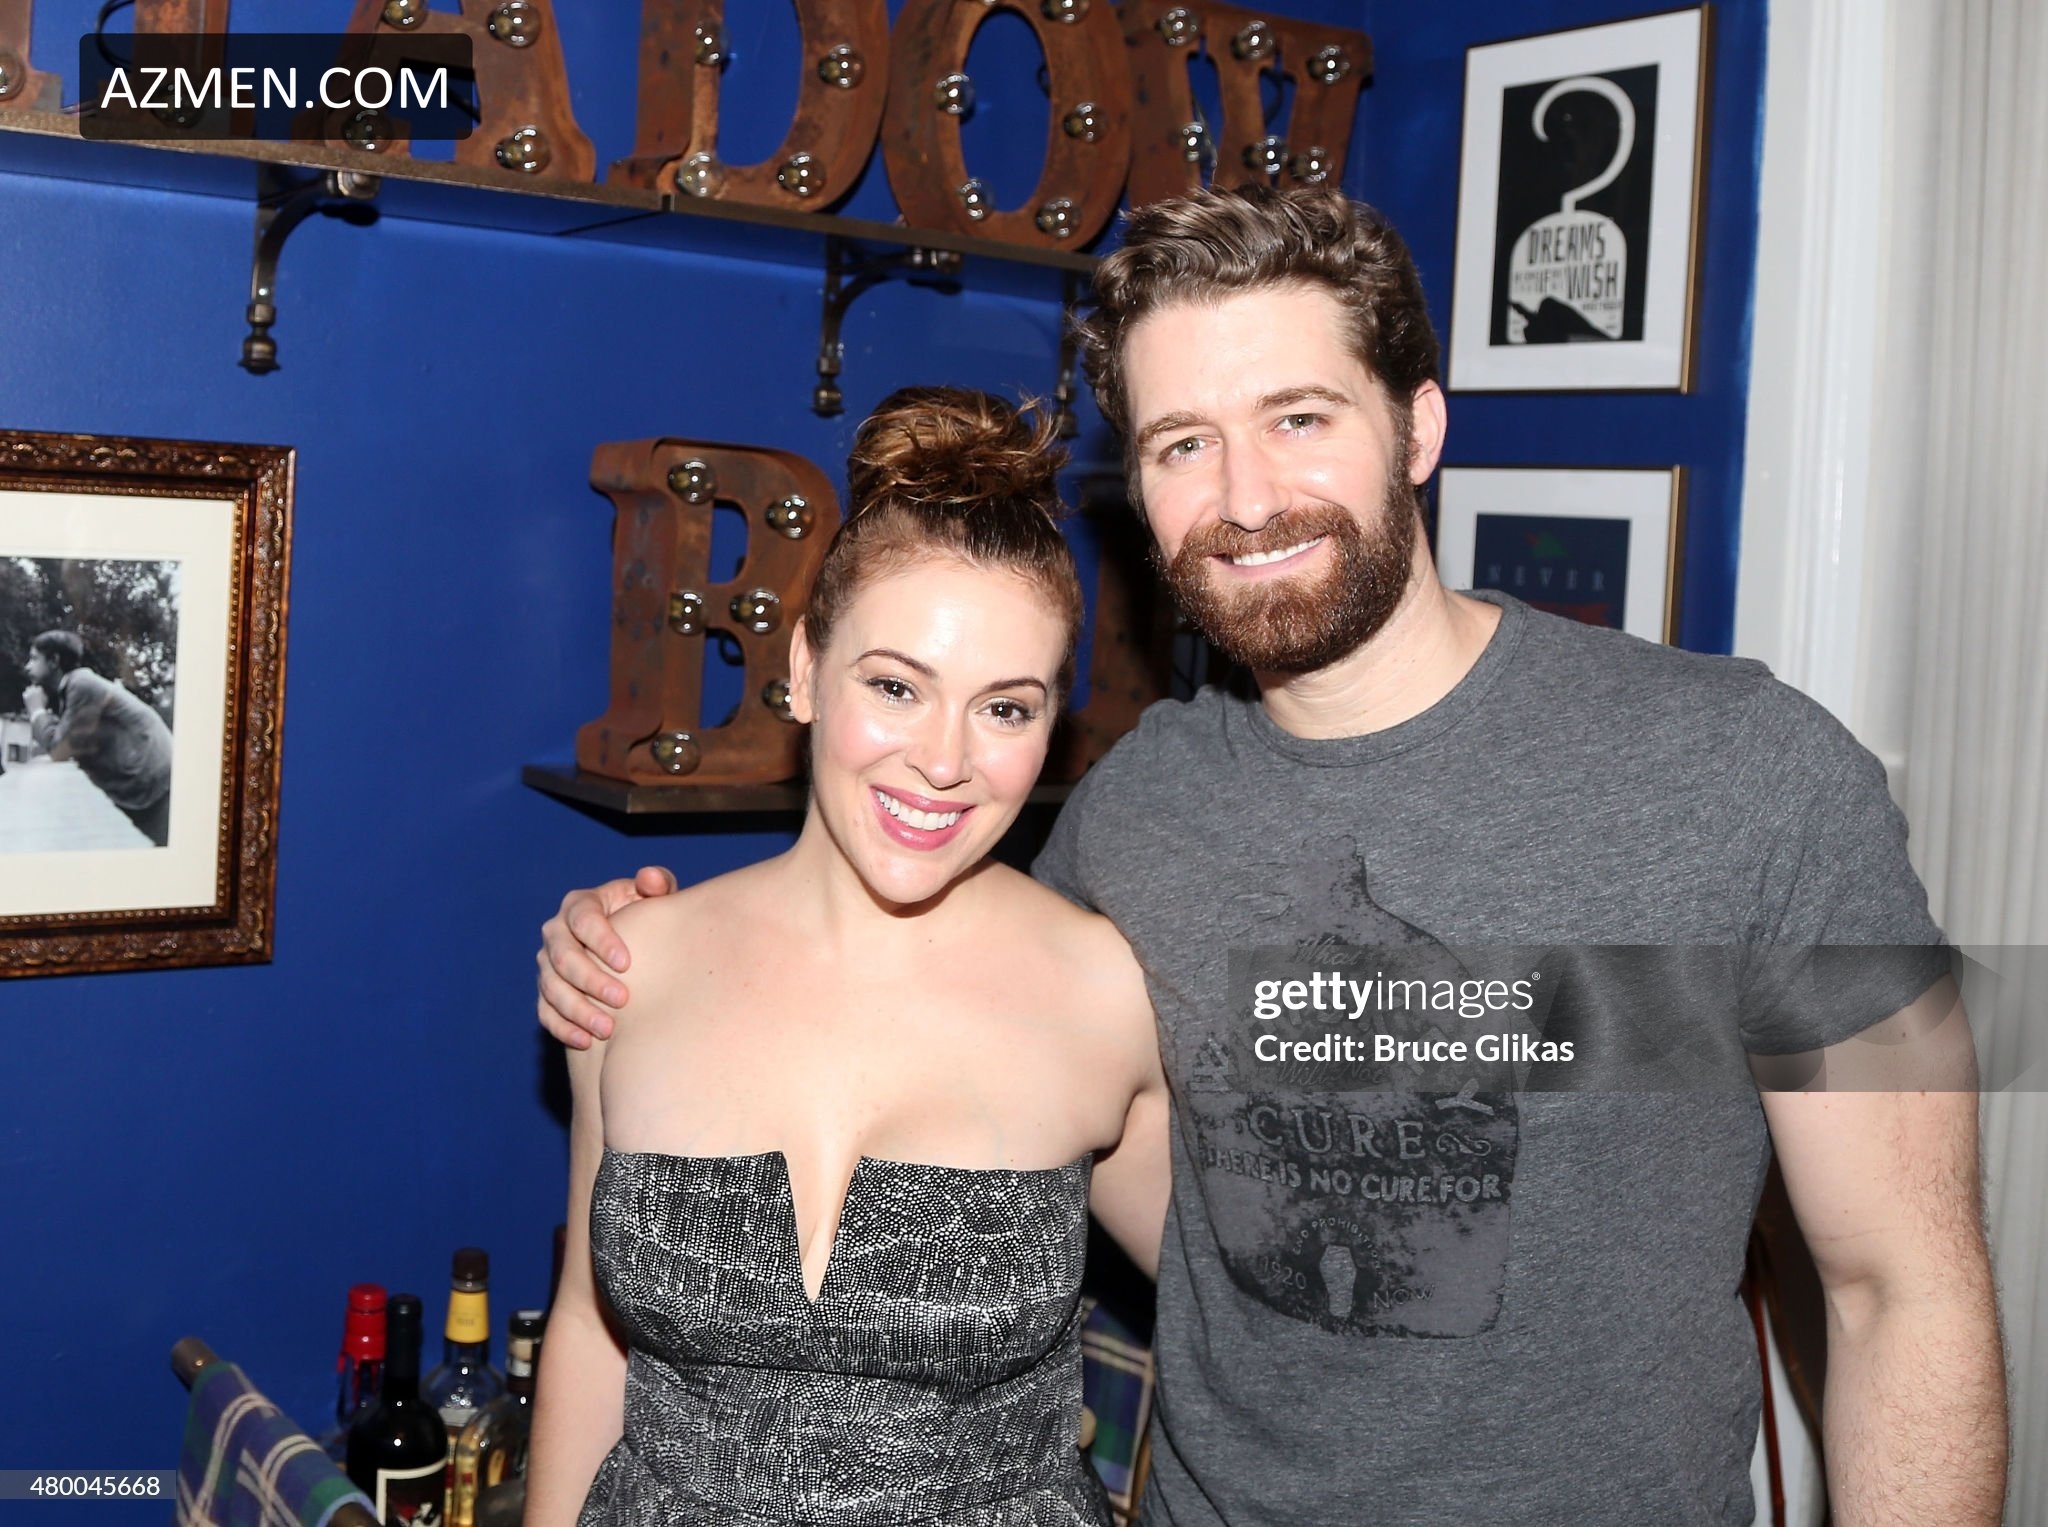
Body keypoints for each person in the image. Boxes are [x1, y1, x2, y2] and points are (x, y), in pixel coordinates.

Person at [537, 188, 2006, 1524]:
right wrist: (634, 952)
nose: (1243, 496)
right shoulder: (1128, 820)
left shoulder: (1755, 773)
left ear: (1418, 427)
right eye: (1183, 443)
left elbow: (1901, 1294)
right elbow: (923, 1025)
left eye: (1298, 417)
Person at [525, 387, 1168, 1527]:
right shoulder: (628, 964)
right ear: (804, 666)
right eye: (895, 686)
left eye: (1005, 709)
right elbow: (588, 1327)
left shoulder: (1105, 991)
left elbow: (1251, 1324)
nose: (944, 761)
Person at [23, 629, 174, 846]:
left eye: (34, 658)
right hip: (148, 783)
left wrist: (37, 711)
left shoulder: (81, 684)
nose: (27, 666)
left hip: (156, 781)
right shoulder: (75, 687)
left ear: (54, 660)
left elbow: (59, 749)